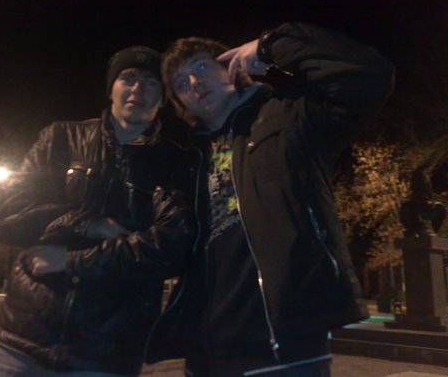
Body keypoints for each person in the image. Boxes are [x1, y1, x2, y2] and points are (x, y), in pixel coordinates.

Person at [146, 23, 395, 376]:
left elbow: (368, 77)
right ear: (178, 102)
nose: (194, 82)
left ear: (230, 64)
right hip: (206, 353)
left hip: (283, 346)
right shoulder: (189, 162)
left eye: (201, 66)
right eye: (181, 83)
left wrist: (273, 46)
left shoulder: (288, 116)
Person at [0, 46, 195, 377]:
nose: (138, 88)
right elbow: (9, 218)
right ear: (111, 89)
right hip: (20, 344)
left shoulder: (174, 162)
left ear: (163, 98)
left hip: (107, 353)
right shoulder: (61, 138)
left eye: (151, 82)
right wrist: (92, 224)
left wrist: (71, 261)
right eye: (128, 78)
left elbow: (169, 248)